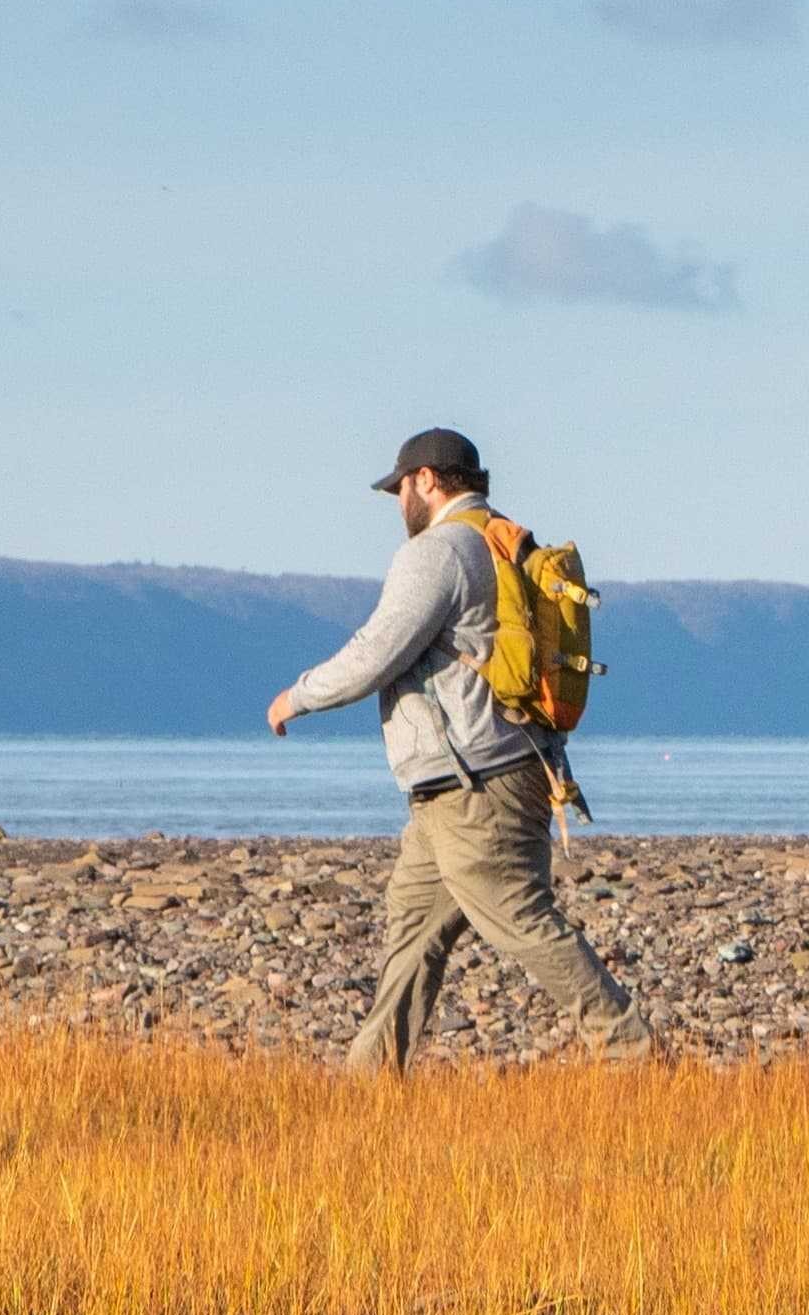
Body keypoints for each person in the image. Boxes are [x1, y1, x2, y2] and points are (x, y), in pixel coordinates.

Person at [267, 425, 639, 1069]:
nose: (397, 503)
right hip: (469, 782)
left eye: (400, 487)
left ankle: (631, 1050)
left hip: (476, 783)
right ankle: (371, 1081)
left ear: (428, 481)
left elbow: (377, 651)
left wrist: (297, 696)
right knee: (413, 931)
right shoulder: (502, 543)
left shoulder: (439, 551)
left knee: (521, 919)